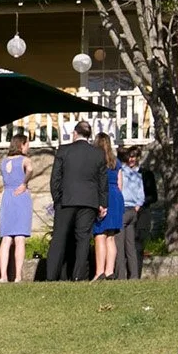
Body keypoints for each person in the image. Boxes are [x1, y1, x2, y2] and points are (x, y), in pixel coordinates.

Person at [48, 121, 107, 282]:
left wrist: (57, 199)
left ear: (75, 133)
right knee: (83, 239)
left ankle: (51, 275)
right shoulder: (98, 153)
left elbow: (55, 179)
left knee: (59, 238)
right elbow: (103, 181)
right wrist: (103, 203)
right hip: (89, 200)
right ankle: (78, 275)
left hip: (66, 199)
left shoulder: (64, 150)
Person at [0, 133, 33, 284]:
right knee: (19, 238)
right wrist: (25, 182)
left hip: (8, 197)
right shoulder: (25, 159)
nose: (28, 146)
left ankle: (3, 275)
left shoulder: (4, 161)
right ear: (21, 144)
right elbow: (30, 169)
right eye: (27, 144)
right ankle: (17, 275)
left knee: (6, 238)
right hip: (21, 196)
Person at [90, 134, 125, 282]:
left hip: (103, 196)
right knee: (111, 237)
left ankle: (99, 272)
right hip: (116, 197)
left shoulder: (96, 161)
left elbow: (95, 182)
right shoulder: (116, 162)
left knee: (100, 235)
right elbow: (120, 183)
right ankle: (110, 271)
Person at [114, 146, 146, 280]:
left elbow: (119, 190)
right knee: (131, 246)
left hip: (123, 209)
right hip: (133, 210)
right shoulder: (137, 175)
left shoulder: (121, 173)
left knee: (119, 245)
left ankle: (120, 275)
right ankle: (134, 275)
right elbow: (141, 196)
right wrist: (137, 207)